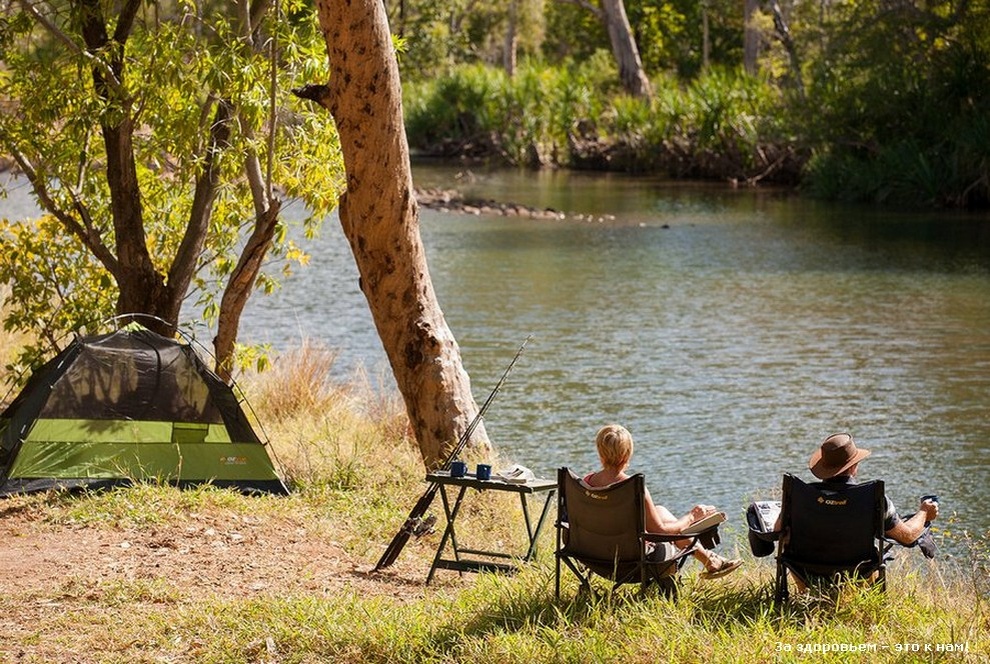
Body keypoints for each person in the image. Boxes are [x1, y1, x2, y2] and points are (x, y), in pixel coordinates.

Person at [582, 424, 742, 579]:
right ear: (627, 454)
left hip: (594, 556)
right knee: (668, 530)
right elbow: (662, 531)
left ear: (599, 452)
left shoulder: (586, 484)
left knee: (660, 511)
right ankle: (708, 559)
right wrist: (691, 517)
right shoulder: (634, 488)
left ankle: (709, 559)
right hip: (632, 561)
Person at [804, 432, 939, 550]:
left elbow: (781, 528)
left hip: (804, 575)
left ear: (823, 467)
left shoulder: (802, 496)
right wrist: (924, 512)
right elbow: (908, 536)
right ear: (853, 466)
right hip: (858, 575)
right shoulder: (872, 498)